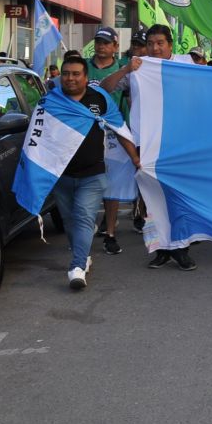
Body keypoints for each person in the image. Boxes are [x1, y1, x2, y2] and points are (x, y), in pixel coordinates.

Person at [100, 25, 198, 270]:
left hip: (176, 142)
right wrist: (126, 68)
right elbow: (105, 88)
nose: (155, 48)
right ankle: (158, 248)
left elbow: (210, 84)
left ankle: (181, 247)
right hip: (145, 142)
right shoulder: (138, 67)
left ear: (170, 44)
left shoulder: (185, 63)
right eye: (151, 43)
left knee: (176, 197)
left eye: (160, 43)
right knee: (150, 200)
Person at [50, 56, 140, 290]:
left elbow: (119, 128)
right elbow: (38, 137)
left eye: (76, 74)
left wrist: (135, 158)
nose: (70, 78)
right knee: (70, 221)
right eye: (66, 73)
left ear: (86, 77)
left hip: (93, 174)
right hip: (62, 175)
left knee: (83, 217)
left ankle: (77, 266)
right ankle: (83, 256)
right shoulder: (51, 100)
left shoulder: (100, 99)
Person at [85, 27, 132, 256]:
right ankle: (84, 230)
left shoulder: (124, 68)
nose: (101, 46)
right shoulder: (83, 67)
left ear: (115, 46)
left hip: (114, 134)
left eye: (106, 42)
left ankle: (110, 233)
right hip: (85, 133)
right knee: (87, 183)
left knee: (112, 184)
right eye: (98, 42)